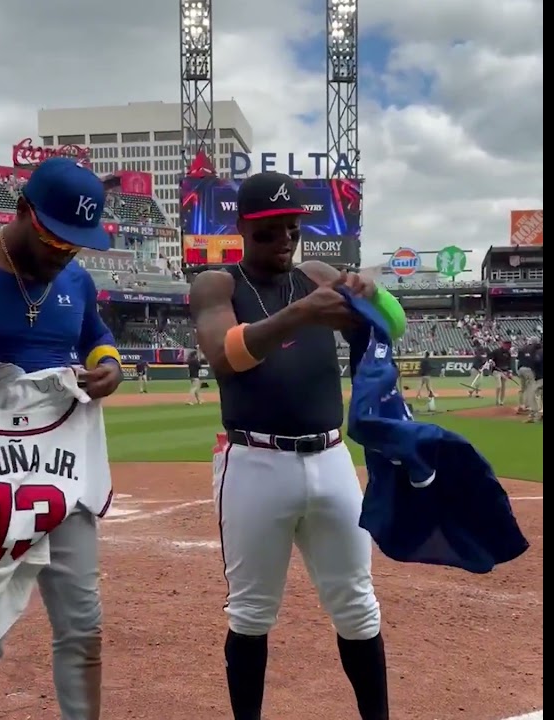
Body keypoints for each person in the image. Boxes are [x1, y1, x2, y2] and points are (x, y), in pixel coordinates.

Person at [189, 172, 407, 720]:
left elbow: (394, 327)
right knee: (252, 613)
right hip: (254, 461)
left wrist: (372, 295)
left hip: (331, 458)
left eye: (292, 228)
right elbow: (225, 356)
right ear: (241, 228)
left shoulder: (316, 274)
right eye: (269, 231)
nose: (285, 239)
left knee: (358, 606)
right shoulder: (218, 285)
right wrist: (301, 314)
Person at [0, 157, 123, 720]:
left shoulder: (75, 280)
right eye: (54, 238)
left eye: (76, 244)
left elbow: (96, 337)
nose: (64, 253)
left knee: (83, 627)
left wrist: (110, 366)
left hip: (59, 466)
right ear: (23, 210)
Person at [489, 340, 514, 407]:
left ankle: (502, 401)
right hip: (497, 370)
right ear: (503, 344)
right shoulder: (496, 351)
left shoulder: (508, 353)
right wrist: (491, 361)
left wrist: (510, 372)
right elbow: (489, 357)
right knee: (499, 385)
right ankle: (497, 400)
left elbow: (509, 363)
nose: (508, 347)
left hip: (504, 371)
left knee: (503, 387)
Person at [516, 338, 537, 416]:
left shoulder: (522, 348)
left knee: (522, 388)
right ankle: (527, 406)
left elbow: (518, 360)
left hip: (521, 369)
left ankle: (521, 406)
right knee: (530, 388)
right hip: (529, 369)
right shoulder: (534, 349)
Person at [527, 340, 543, 423]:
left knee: (532, 395)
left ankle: (534, 416)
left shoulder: (538, 353)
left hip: (540, 378)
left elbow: (535, 363)